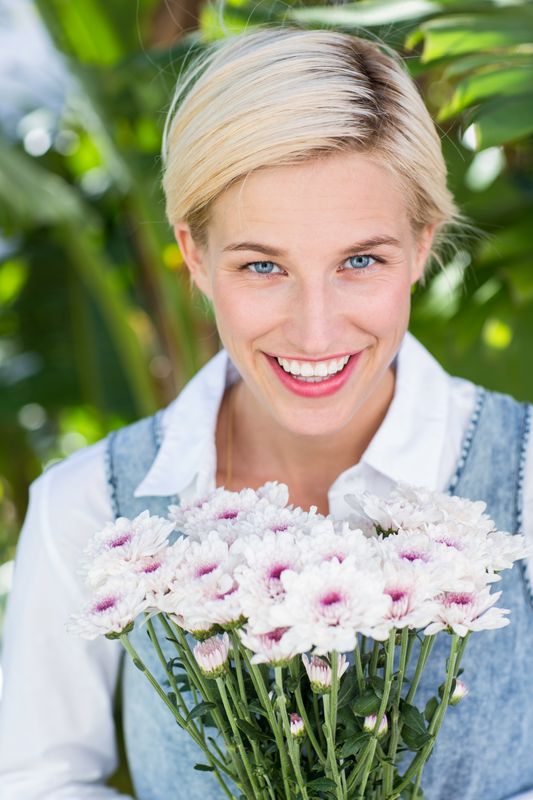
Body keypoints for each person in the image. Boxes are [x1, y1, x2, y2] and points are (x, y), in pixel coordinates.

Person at [0, 25, 532, 800]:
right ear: (194, 255)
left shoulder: (523, 478)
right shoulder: (83, 509)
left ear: (421, 246)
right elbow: (34, 782)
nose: (314, 330)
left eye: (360, 261)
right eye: (262, 265)